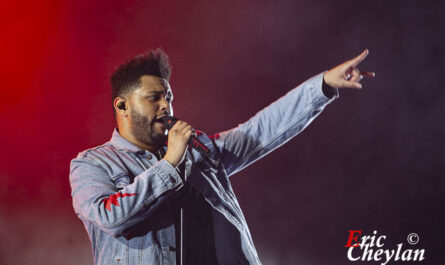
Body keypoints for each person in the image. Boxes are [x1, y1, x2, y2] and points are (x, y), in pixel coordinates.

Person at [69, 48, 374, 265]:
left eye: (169, 97)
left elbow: (260, 131)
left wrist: (322, 86)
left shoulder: (199, 150)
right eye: (154, 98)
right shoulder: (93, 164)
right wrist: (169, 164)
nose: (167, 106)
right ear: (122, 106)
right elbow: (109, 217)